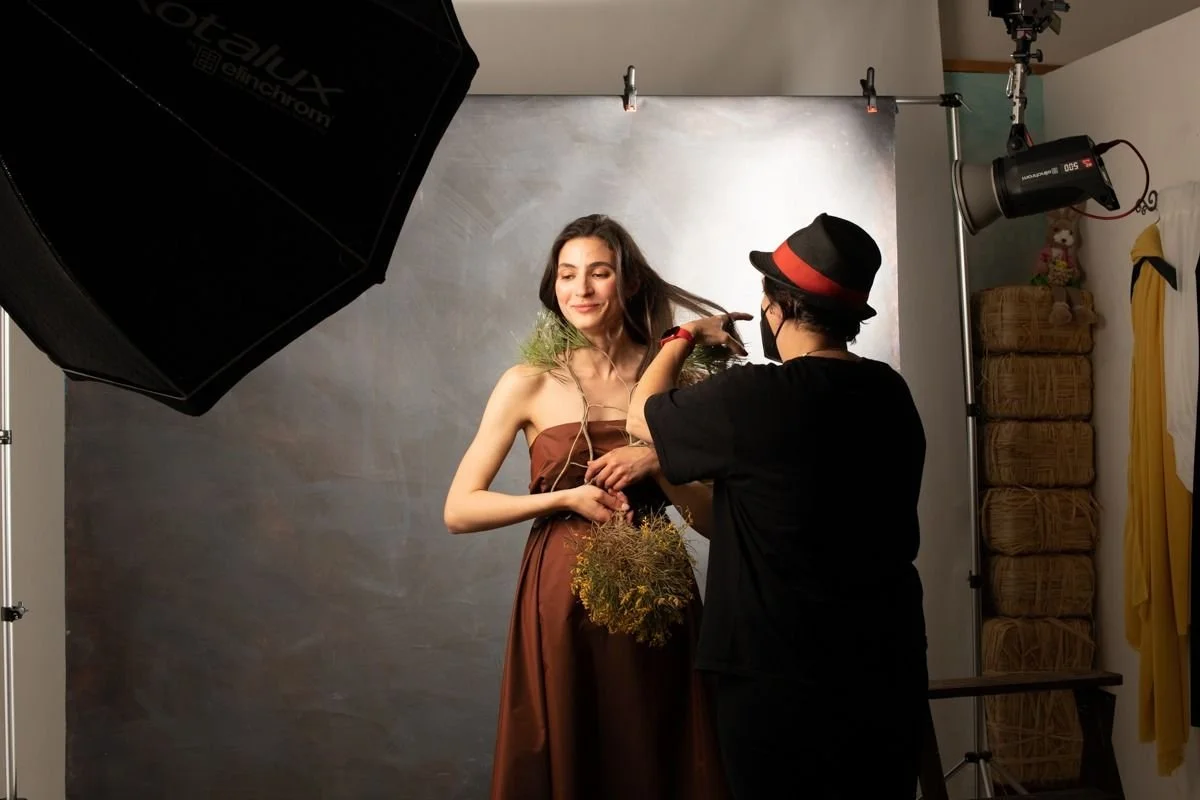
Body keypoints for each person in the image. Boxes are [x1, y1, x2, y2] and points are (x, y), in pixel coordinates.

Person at [620, 213, 930, 799]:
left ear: (780, 308)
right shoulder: (891, 393)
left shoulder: (756, 396)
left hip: (776, 676)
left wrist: (684, 335)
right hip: (886, 666)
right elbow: (763, 508)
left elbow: (642, 415)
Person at [443, 214, 737, 800]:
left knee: (659, 746)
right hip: (561, 593)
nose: (580, 288)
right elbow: (459, 509)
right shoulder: (529, 381)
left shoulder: (672, 379)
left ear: (629, 282)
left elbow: (712, 522)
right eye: (567, 274)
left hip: (657, 593)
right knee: (571, 745)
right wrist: (565, 497)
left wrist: (657, 462)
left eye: (598, 273)